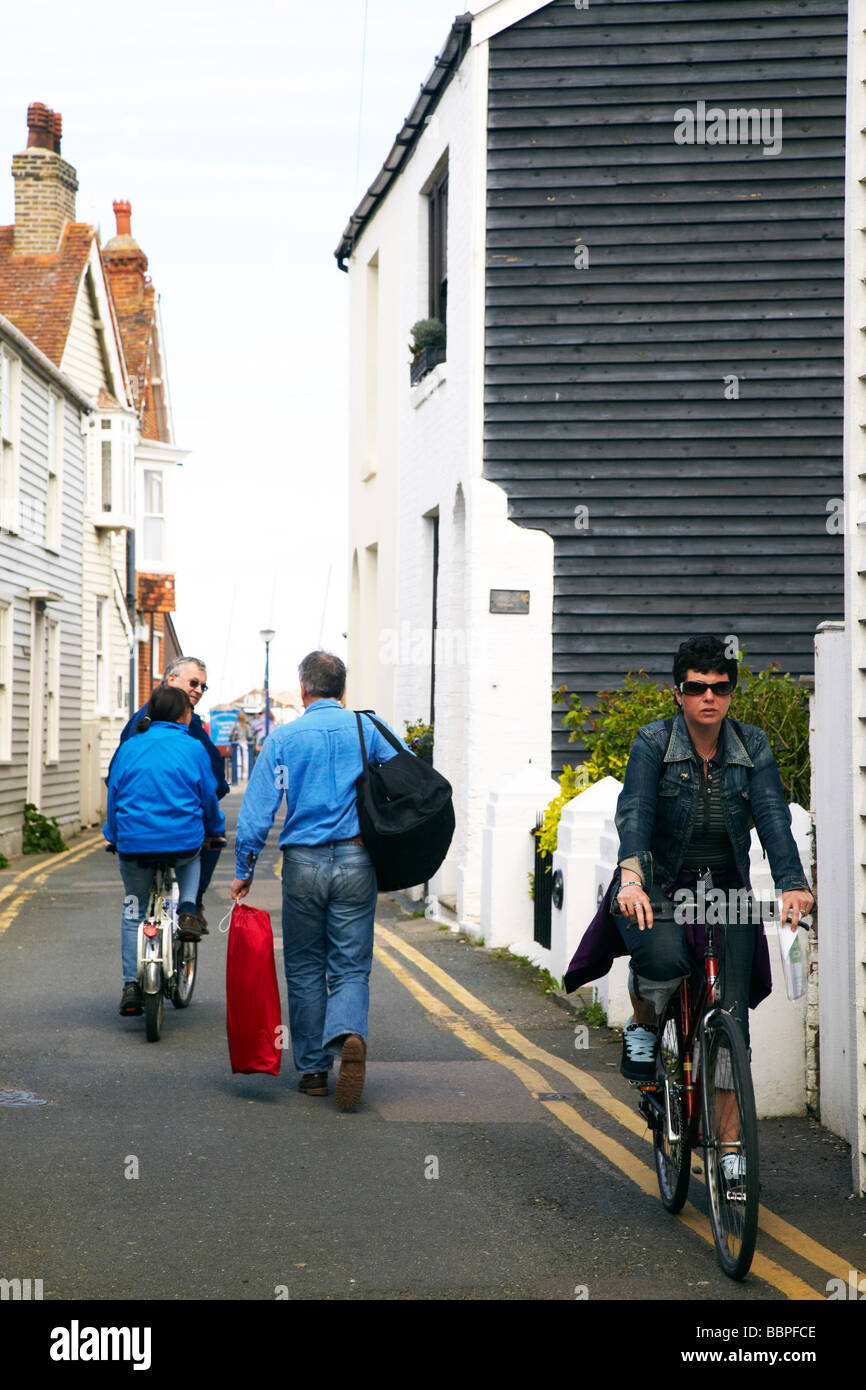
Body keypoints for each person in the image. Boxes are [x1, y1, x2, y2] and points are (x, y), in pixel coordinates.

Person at [611, 635, 813, 1181]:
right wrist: (631, 875)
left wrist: (793, 882)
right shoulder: (653, 742)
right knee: (660, 955)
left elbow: (772, 815)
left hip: (725, 890)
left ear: (731, 693)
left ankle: (728, 1151)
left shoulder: (753, 746)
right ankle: (645, 1024)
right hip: (658, 882)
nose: (708, 698)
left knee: (731, 1018)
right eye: (696, 688)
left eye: (720, 688)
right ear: (678, 693)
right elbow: (635, 809)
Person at [230, 650, 406, 1110]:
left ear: (304, 690)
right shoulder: (368, 730)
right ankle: (348, 1033)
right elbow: (409, 777)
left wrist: (244, 871)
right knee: (350, 965)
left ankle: (312, 1071)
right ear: (343, 691)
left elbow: (255, 815)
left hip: (303, 864)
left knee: (306, 966)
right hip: (356, 858)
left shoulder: (285, 739)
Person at [104, 685, 226, 1017]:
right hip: (182, 841)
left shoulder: (128, 748)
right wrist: (215, 831)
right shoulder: (193, 747)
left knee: (133, 909)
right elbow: (209, 798)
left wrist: (112, 836)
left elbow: (113, 795)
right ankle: (188, 908)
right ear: (183, 716)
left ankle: (131, 985)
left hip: (133, 844)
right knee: (192, 855)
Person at [109, 656, 229, 931]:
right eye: (194, 682)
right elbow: (210, 781)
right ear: (171, 680)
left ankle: (134, 973)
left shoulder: (143, 723)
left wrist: (113, 832)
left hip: (135, 827)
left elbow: (115, 780)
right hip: (177, 821)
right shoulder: (182, 726)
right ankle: (192, 903)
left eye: (203, 686)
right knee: (210, 838)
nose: (198, 689)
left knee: (134, 911)